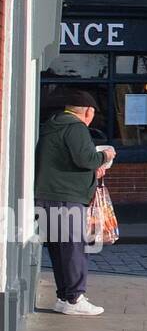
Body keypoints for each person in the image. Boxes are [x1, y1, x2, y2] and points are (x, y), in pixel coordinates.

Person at [34, 90, 114, 316]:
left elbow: (66, 162)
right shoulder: (76, 128)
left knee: (59, 250)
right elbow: (86, 159)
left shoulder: (52, 125)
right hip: (67, 198)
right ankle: (75, 297)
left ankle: (64, 298)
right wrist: (106, 156)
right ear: (88, 111)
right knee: (74, 248)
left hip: (47, 196)